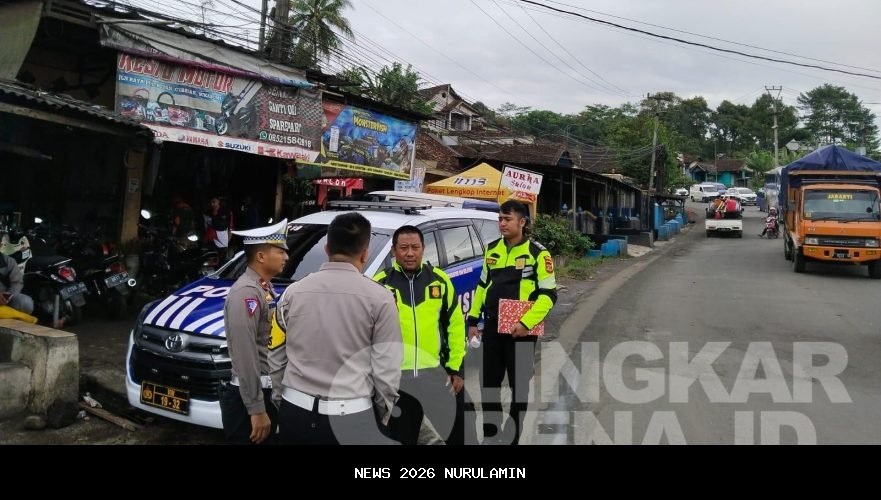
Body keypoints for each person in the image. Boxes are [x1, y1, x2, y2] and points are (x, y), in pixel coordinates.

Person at [271, 212, 402, 445]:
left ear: (326, 248)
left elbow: (276, 354)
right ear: (365, 253)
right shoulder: (381, 299)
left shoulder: (292, 293)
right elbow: (387, 368)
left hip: (295, 411)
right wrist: (383, 414)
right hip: (352, 415)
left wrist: (282, 399)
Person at [468, 200, 557, 445]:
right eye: (500, 219)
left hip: (522, 333)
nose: (502, 223)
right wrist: (473, 320)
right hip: (493, 330)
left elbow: (549, 295)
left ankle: (512, 437)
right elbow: (483, 285)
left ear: (522, 222)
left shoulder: (538, 254)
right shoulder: (492, 249)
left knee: (520, 389)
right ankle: (490, 436)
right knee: (489, 385)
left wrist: (526, 323)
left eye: (507, 219)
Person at [373, 225, 468, 445]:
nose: (410, 253)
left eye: (415, 247)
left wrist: (456, 368)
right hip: (398, 381)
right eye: (404, 247)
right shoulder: (381, 284)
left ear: (423, 249)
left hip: (437, 375)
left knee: (455, 433)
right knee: (401, 437)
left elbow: (455, 326)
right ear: (393, 251)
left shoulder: (439, 281)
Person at [219, 219, 290, 445]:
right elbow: (244, 352)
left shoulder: (263, 288)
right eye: (280, 251)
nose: (286, 257)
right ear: (260, 256)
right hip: (249, 397)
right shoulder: (246, 293)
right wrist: (256, 408)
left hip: (265, 391)